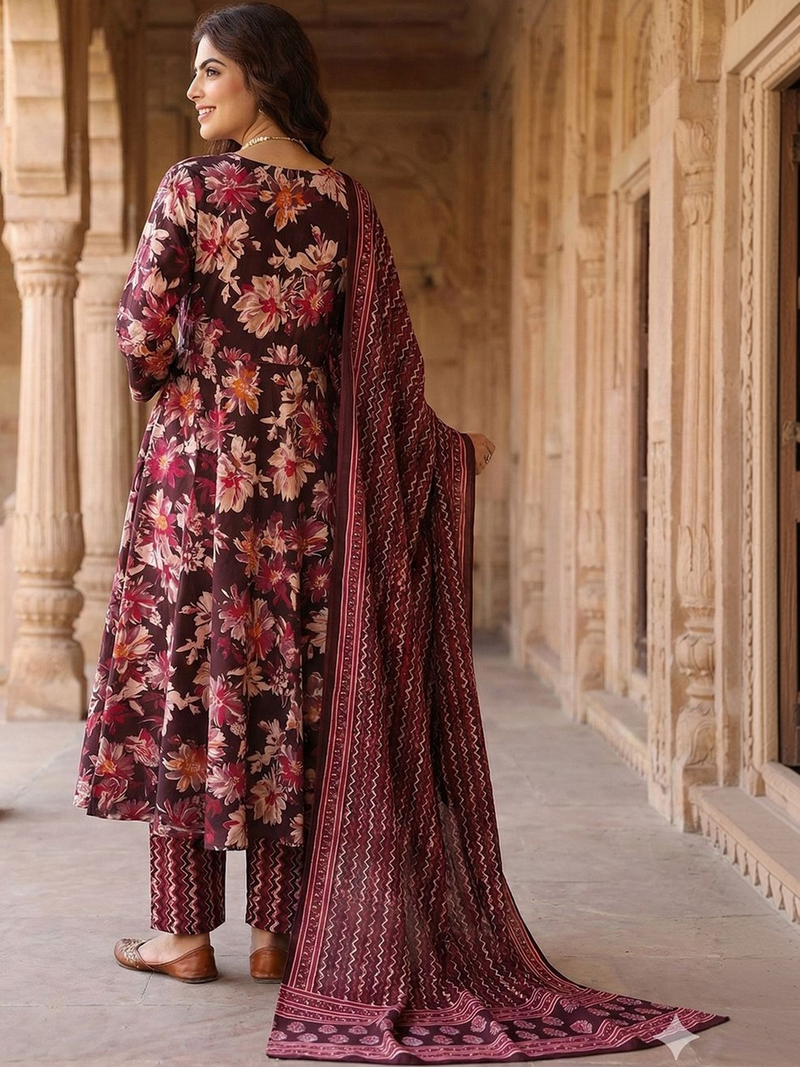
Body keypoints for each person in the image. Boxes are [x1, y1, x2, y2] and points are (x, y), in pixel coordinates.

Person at [75, 2, 727, 1061]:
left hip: (197, 484)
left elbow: (142, 337)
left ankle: (182, 931)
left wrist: (197, 360)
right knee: (282, 692)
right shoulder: (347, 205)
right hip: (304, 494)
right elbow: (385, 369)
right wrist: (439, 451)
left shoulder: (192, 190)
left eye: (211, 73)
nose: (195, 92)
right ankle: (283, 931)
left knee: (194, 686)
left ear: (262, 80)